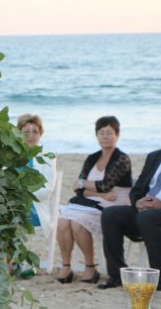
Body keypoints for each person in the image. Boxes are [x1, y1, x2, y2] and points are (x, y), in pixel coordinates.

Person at [56, 116, 132, 284]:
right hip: (93, 202)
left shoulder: (122, 159)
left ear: (117, 135)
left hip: (114, 206)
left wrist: (88, 187)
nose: (105, 136)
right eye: (101, 132)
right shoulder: (92, 158)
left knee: (77, 223)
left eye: (109, 132)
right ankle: (66, 266)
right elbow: (77, 189)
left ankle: (91, 266)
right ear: (96, 135)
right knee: (62, 221)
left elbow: (104, 185)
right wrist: (99, 193)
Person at [98, 148, 161, 289]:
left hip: (153, 215)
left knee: (146, 218)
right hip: (146, 210)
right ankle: (117, 275)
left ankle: (159, 278)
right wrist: (138, 202)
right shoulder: (154, 156)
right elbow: (138, 189)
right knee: (110, 214)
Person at [15, 114, 58, 278]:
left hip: (36, 205)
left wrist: (24, 193)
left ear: (40, 134)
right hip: (15, 203)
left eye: (35, 132)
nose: (30, 136)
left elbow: (47, 188)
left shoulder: (47, 157)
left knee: (17, 216)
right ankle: (10, 260)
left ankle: (24, 262)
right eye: (26, 132)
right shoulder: (13, 156)